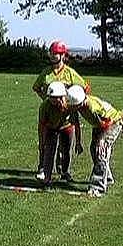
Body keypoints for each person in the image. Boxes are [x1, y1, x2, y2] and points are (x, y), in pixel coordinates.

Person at [33, 40, 89, 180]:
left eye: (56, 53)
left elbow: (85, 88)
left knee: (65, 148)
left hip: (66, 116)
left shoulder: (70, 73)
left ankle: (64, 171)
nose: (52, 56)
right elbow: (36, 87)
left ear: (63, 55)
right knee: (46, 144)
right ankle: (43, 169)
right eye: (51, 53)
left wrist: (72, 100)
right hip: (50, 114)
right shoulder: (46, 73)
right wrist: (47, 99)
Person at [67, 85, 123, 197]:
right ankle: (107, 178)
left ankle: (97, 187)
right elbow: (76, 124)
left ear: (80, 103)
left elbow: (107, 122)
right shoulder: (75, 104)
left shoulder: (92, 107)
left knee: (100, 152)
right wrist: (78, 142)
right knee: (94, 149)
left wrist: (102, 140)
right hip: (99, 125)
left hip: (112, 123)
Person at [39, 81, 82, 188]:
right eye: (51, 97)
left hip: (67, 127)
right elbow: (41, 126)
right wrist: (42, 142)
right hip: (51, 128)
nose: (52, 100)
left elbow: (76, 124)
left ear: (62, 96)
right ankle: (47, 177)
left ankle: (65, 172)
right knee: (49, 151)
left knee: (66, 151)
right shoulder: (44, 106)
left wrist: (78, 142)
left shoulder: (70, 105)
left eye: (55, 97)